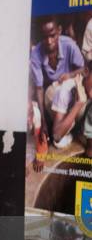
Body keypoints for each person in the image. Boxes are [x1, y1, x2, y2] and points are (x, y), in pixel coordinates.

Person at [30, 16, 85, 148]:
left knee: (66, 93)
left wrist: (69, 75)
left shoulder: (69, 45)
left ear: (59, 31)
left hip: (71, 87)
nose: (49, 41)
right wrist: (43, 121)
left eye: (52, 35)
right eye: (44, 37)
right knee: (52, 93)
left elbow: (84, 69)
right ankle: (64, 130)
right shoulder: (36, 54)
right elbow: (39, 88)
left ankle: (65, 129)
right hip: (54, 91)